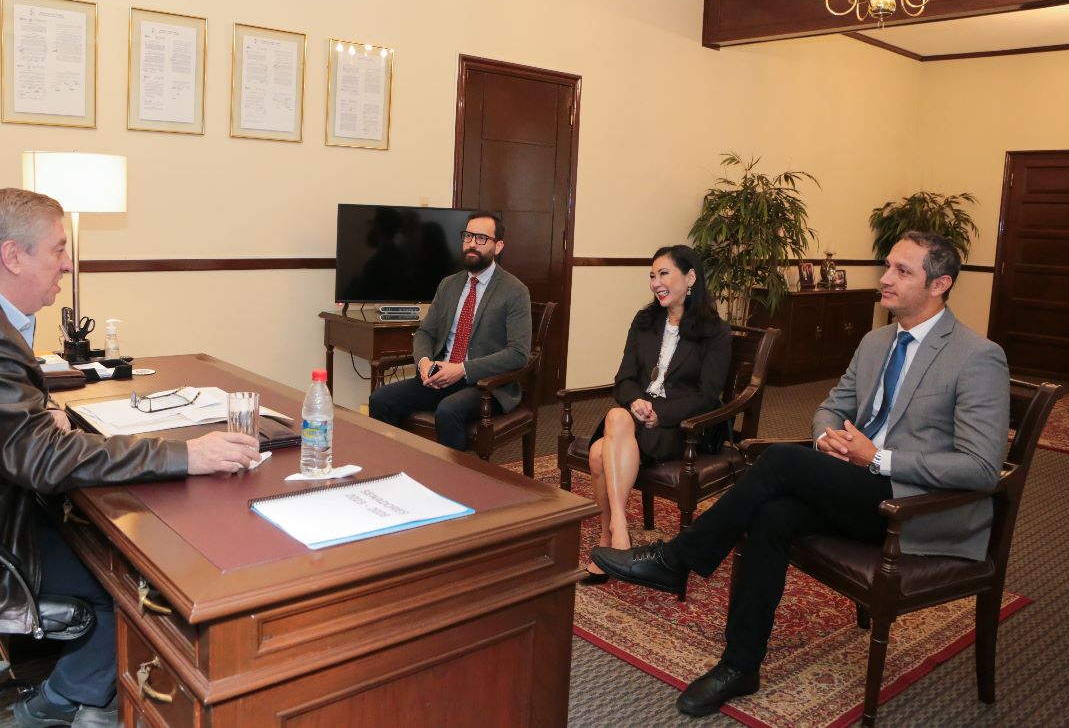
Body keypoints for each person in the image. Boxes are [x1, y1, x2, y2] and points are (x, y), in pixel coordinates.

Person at [0, 188, 262, 728]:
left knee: (93, 535)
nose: (67, 263)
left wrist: (37, 418)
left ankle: (67, 696)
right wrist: (186, 454)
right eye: (59, 249)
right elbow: (40, 462)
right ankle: (72, 705)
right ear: (13, 256)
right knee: (132, 587)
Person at [592, 231, 1009, 717]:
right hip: (855, 485)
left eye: (901, 271)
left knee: (780, 462)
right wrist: (829, 439)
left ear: (940, 284)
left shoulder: (977, 356)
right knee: (772, 515)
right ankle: (740, 665)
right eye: (888, 266)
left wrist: (877, 458)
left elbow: (981, 468)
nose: (885, 278)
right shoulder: (877, 341)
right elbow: (832, 407)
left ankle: (676, 560)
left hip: (911, 506)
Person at [583, 245, 731, 585]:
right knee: (619, 417)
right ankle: (618, 535)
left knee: (598, 452)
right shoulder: (645, 321)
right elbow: (624, 379)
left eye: (664, 274)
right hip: (635, 417)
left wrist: (658, 414)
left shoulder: (715, 332)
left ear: (690, 277)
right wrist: (636, 402)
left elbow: (707, 396)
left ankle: (610, 539)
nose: (655, 282)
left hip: (683, 426)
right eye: (652, 275)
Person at [367, 210, 532, 451]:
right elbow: (425, 333)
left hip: (486, 385)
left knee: (448, 410)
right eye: (467, 236)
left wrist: (462, 369)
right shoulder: (449, 284)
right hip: (440, 376)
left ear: (498, 246)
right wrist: (423, 362)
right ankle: (392, 469)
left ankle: (453, 484)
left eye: (481, 238)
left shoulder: (515, 291)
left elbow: (518, 353)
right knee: (381, 399)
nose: (472, 244)